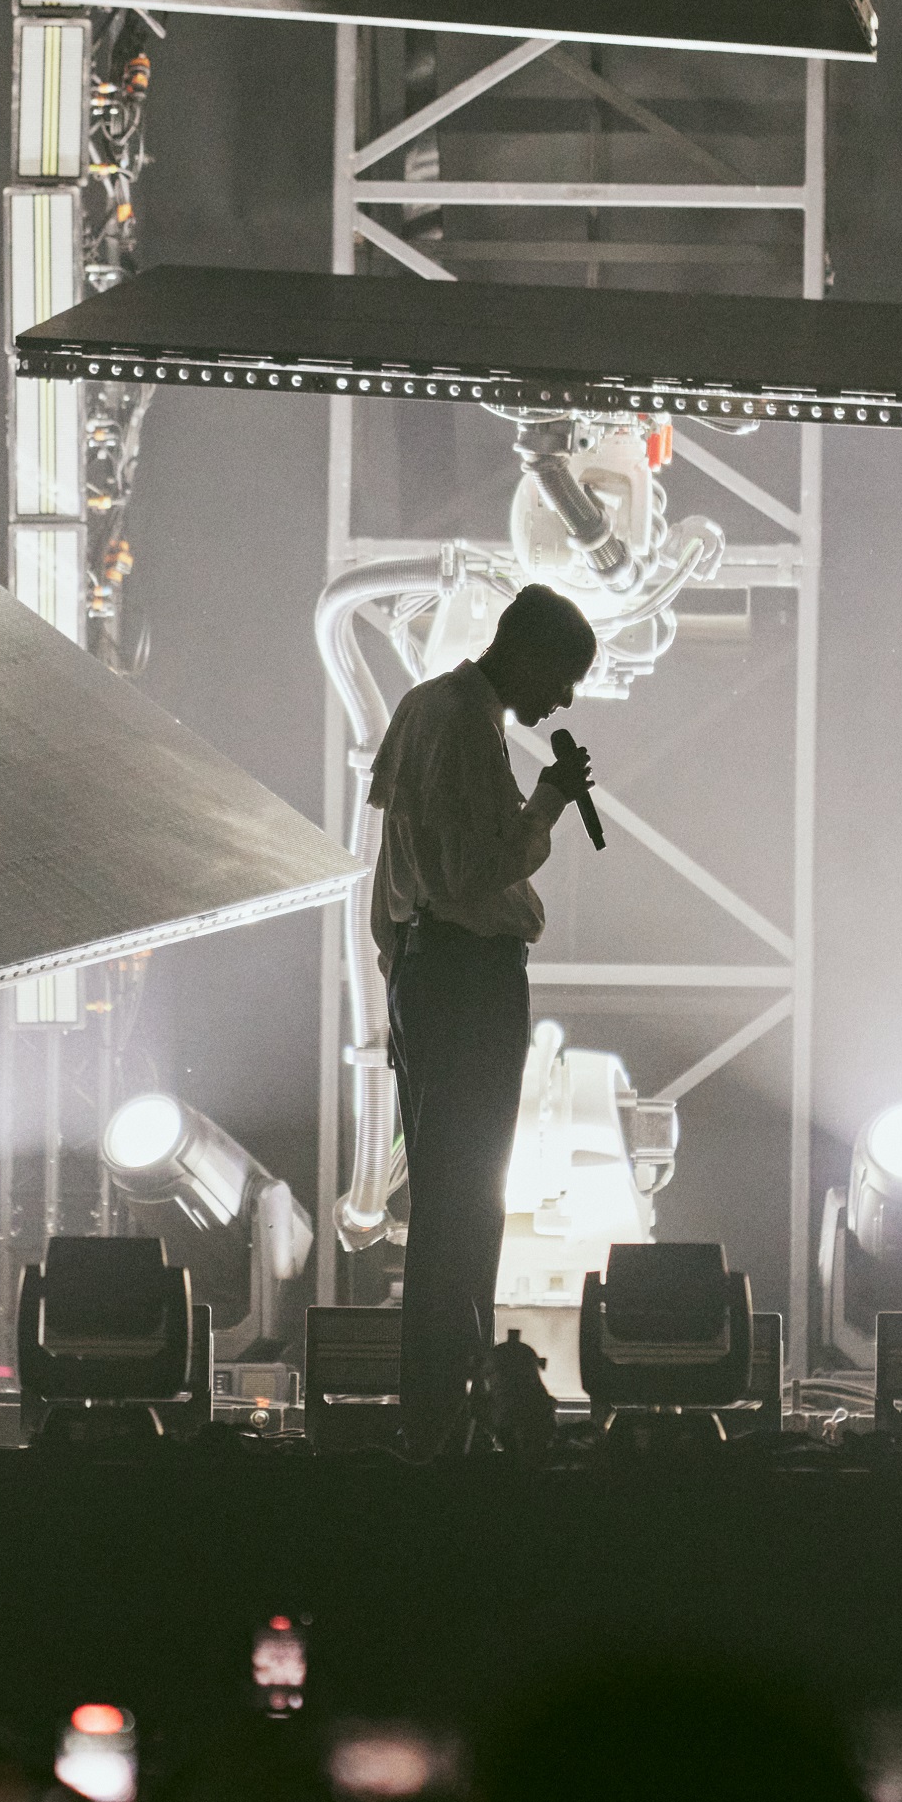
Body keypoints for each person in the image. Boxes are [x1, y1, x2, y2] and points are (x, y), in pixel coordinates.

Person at [367, 583, 596, 1454]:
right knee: (467, 1208)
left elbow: (400, 875)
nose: (564, 700)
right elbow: (469, 872)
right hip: (466, 982)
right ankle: (445, 1425)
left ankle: (440, 1415)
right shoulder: (465, 721)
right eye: (565, 676)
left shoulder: (428, 708)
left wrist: (401, 980)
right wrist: (545, 807)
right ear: (529, 653)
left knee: (448, 1205)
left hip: (432, 977)